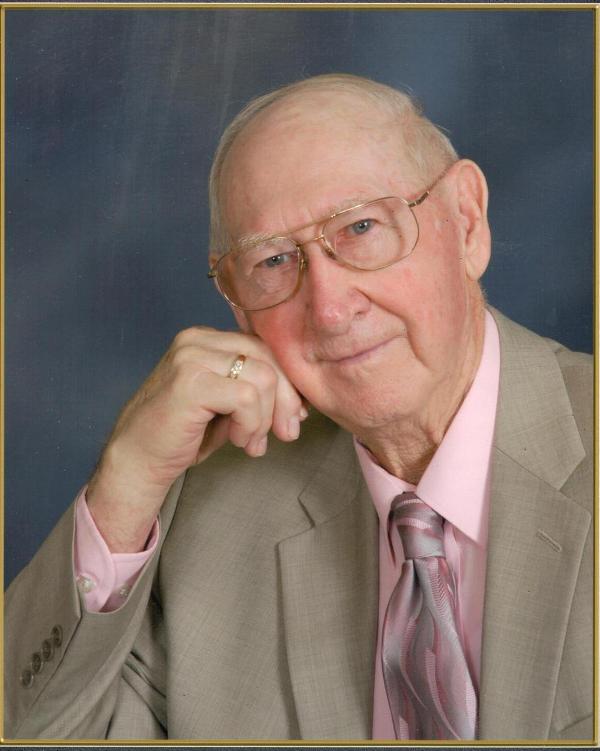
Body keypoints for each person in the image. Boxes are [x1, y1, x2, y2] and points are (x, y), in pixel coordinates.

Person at [5, 74, 593, 741]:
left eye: (361, 227)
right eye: (275, 261)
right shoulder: (210, 519)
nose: (330, 308)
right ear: (238, 307)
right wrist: (126, 480)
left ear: (466, 221)